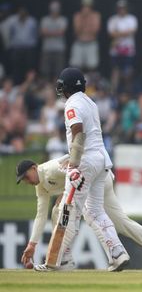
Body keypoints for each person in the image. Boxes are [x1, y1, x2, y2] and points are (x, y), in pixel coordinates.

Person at [39, 67, 130, 272]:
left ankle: (54, 261)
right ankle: (117, 253)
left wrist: (73, 163)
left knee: (68, 211)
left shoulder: (72, 104)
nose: (60, 90)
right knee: (96, 211)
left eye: (62, 86)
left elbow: (78, 134)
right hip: (101, 159)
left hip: (85, 161)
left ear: (68, 87)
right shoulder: (90, 102)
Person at [16, 155, 142, 270]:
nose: (27, 181)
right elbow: (40, 216)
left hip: (94, 179)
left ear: (34, 168)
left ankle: (66, 258)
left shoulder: (50, 169)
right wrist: (32, 245)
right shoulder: (40, 187)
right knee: (121, 223)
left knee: (81, 213)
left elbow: (76, 165)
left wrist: (66, 193)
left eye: (26, 176)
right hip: (102, 179)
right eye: (23, 180)